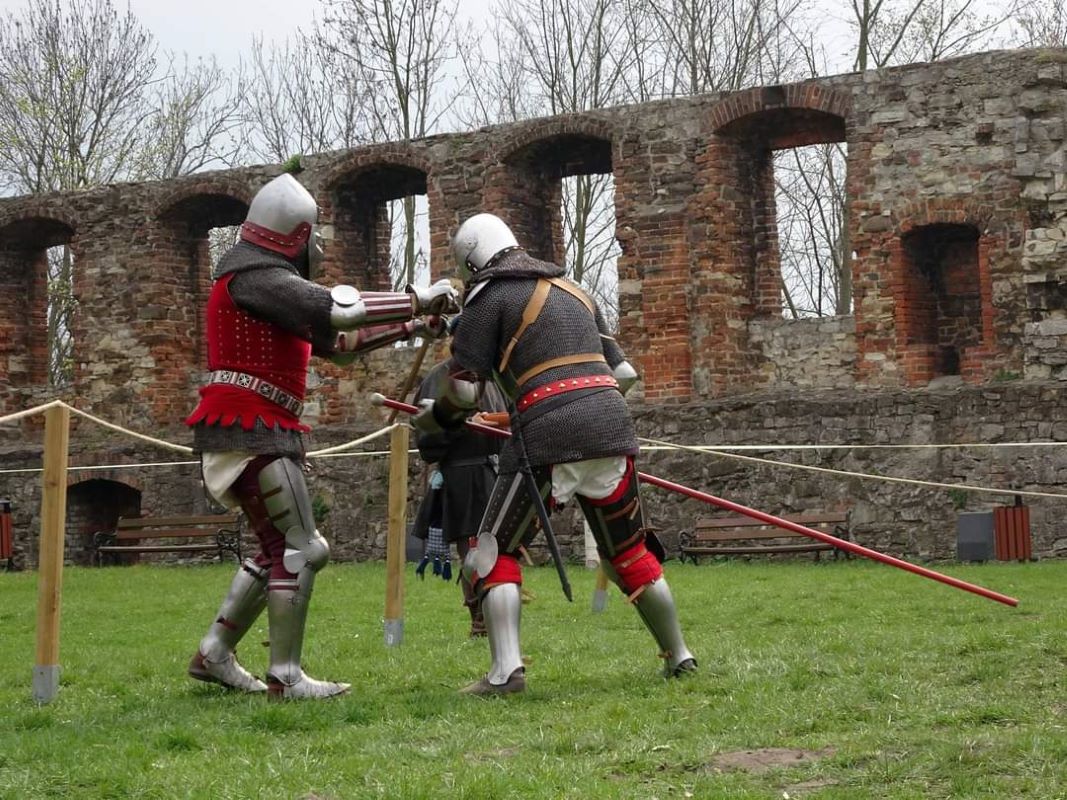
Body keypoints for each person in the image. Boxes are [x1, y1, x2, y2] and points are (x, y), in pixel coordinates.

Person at [185, 173, 458, 700]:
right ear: (297, 233)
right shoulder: (256, 276)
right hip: (252, 427)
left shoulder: (261, 285)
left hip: (253, 426)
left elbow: (342, 343)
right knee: (303, 549)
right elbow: (341, 309)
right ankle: (285, 676)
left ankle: (214, 654)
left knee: (276, 549)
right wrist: (417, 299)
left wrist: (413, 327)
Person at [414, 212, 696, 695]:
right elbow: (624, 375)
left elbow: (463, 392)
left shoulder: (488, 297)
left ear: (471, 260)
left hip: (545, 435)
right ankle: (679, 655)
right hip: (612, 426)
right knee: (629, 551)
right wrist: (589, 410)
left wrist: (433, 418)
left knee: (491, 552)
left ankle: (505, 673)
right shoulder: (576, 291)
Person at [410, 334, 508, 638]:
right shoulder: (438, 378)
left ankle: (494, 611)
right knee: (473, 549)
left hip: (494, 472)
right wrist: (461, 426)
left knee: (497, 548)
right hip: (462, 475)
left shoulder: (492, 378)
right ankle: (479, 618)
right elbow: (427, 440)